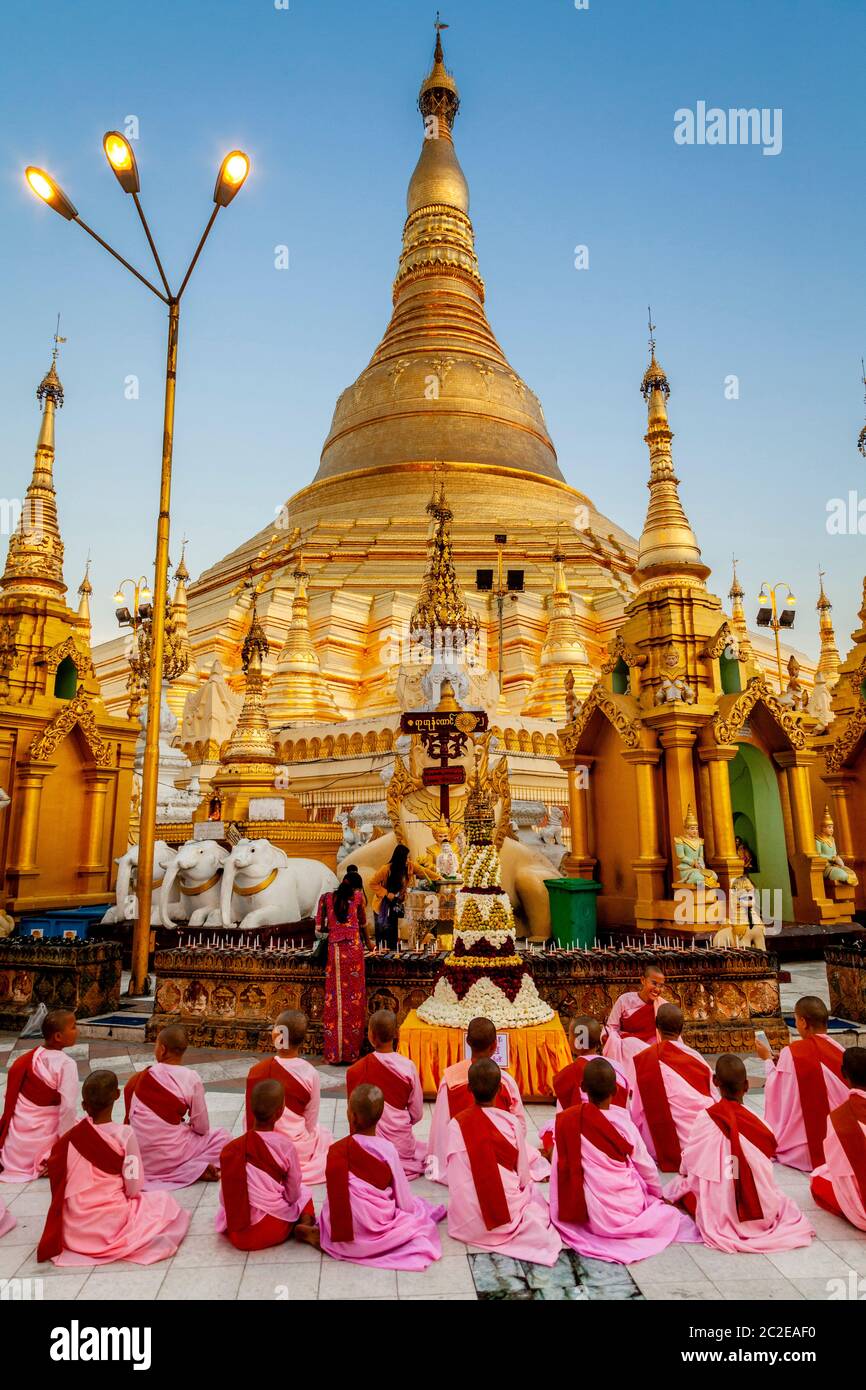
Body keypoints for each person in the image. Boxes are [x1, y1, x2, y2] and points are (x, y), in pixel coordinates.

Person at [549, 1058, 698, 1263]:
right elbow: (646, 1168)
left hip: (589, 1214)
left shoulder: (568, 1120)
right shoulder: (624, 1124)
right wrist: (656, 1194)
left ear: (582, 1088)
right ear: (614, 1091)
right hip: (628, 1208)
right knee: (651, 1197)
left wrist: (561, 1206)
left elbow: (560, 1168)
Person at [36, 1070, 190, 1266]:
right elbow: (134, 1187)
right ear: (117, 1095)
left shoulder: (72, 1137)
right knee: (162, 1201)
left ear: (84, 1105)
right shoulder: (125, 1135)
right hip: (111, 1220)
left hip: (75, 1225)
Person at [666, 1056, 815, 1254]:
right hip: (763, 1210)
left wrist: (684, 1173)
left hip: (721, 1209)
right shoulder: (762, 1125)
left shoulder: (706, 1117)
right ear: (746, 1085)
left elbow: (691, 1158)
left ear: (715, 1081)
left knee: (684, 1190)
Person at [446, 1059, 561, 1265]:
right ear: (500, 1088)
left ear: (469, 1088)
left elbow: (454, 1176)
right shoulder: (511, 1122)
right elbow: (523, 1176)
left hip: (466, 1221)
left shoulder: (456, 1125)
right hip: (509, 1211)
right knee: (534, 1200)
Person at [319, 1083, 445, 1270]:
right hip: (378, 1221)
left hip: (343, 1228)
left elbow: (334, 1196)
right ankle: (377, 1240)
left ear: (351, 1116)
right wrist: (408, 1211)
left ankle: (325, 1238)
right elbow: (403, 1197)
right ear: (380, 1118)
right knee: (415, 1218)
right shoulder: (387, 1149)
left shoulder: (336, 1150)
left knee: (326, 1211)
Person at [427, 1015, 549, 1184]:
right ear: (495, 1045)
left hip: (462, 1155)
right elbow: (520, 1127)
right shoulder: (505, 1081)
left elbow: (440, 1128)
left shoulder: (449, 1080)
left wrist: (440, 1163)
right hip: (499, 1156)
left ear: (468, 1042)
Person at [217, 1079, 319, 1252]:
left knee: (222, 1212)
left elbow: (223, 1197)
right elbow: (293, 1194)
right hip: (273, 1230)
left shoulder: (231, 1149)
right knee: (305, 1193)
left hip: (239, 1236)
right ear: (280, 1112)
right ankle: (303, 1224)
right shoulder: (285, 1146)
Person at [124, 1025, 231, 1189]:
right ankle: (192, 1170)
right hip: (172, 1156)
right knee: (223, 1137)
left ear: (162, 1049)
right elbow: (202, 1128)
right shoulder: (191, 1078)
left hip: (141, 1156)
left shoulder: (143, 1076)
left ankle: (190, 1168)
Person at [757, 995, 848, 1171]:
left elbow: (776, 1090)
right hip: (839, 1141)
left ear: (803, 1022)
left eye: (797, 1020)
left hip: (802, 1151)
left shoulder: (792, 1052)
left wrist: (767, 1059)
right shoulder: (841, 1051)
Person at [244, 1010, 333, 1182]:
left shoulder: (257, 1071)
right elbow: (310, 1120)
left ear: (277, 1036)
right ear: (303, 1040)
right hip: (298, 1149)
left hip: (262, 1147)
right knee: (323, 1135)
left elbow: (249, 1116)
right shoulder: (310, 1073)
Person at [629, 1004, 717, 1172]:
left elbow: (637, 1110)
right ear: (682, 1027)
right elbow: (714, 1098)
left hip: (662, 1145)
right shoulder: (697, 1058)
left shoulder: (646, 1059)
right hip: (703, 1139)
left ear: (656, 1025)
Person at [0, 1009, 79, 1182]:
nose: (77, 1031)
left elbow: (11, 1097)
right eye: (73, 1027)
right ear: (58, 1036)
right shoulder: (67, 1064)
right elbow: (68, 1107)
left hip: (16, 1147)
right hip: (44, 1139)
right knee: (88, 1134)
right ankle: (48, 1159)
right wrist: (64, 1145)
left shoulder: (31, 1058)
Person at [346, 1010, 426, 1177]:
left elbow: (353, 1116)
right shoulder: (408, 1066)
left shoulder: (356, 1070)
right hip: (401, 1146)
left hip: (368, 1148)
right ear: (396, 1034)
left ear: (371, 1036)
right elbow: (417, 1114)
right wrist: (398, 1123)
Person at [539, 1017, 630, 1159]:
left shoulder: (568, 1074)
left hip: (584, 1135)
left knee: (548, 1131)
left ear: (577, 1042)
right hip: (618, 1131)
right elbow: (626, 1108)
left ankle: (555, 1155)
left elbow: (563, 1119)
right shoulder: (617, 1068)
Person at [810, 1047, 866, 1230]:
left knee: (818, 1178)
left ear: (843, 1073)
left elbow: (839, 1169)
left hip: (863, 1205)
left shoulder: (838, 1118)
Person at [321, 873, 372, 1065]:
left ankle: (334, 1053)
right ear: (356, 888)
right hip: (354, 952)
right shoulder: (358, 898)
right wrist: (369, 943)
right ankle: (351, 1053)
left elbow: (319, 927)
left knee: (334, 999)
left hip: (334, 952)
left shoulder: (326, 898)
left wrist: (336, 929)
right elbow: (364, 924)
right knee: (354, 1000)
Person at [603, 963, 666, 1077]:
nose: (657, 989)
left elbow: (669, 1035)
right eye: (654, 983)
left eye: (661, 985)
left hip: (651, 1050)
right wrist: (607, 1037)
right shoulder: (625, 1000)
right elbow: (611, 1027)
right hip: (625, 1050)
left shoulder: (663, 1006)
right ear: (643, 980)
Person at [369, 844, 417, 950]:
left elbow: (424, 871)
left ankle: (392, 959)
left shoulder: (409, 866)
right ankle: (381, 958)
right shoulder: (386, 869)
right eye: (407, 857)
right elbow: (372, 883)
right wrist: (386, 893)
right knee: (382, 933)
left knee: (392, 933)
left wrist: (439, 878)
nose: (409, 859)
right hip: (382, 905)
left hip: (394, 905)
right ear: (401, 857)